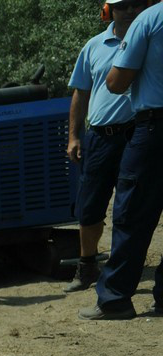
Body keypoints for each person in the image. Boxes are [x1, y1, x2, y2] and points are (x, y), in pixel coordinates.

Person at [80, 0, 163, 319]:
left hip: (153, 128)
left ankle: (115, 298)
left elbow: (116, 82)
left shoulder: (149, 21)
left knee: (131, 214)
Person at [65, 0, 143, 293]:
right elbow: (80, 92)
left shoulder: (147, 39)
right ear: (109, 10)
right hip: (99, 137)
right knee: (90, 204)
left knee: (131, 207)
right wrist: (74, 137)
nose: (129, 11)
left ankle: (125, 269)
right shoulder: (93, 47)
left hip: (136, 135)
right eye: (122, 5)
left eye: (135, 5)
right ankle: (87, 267)